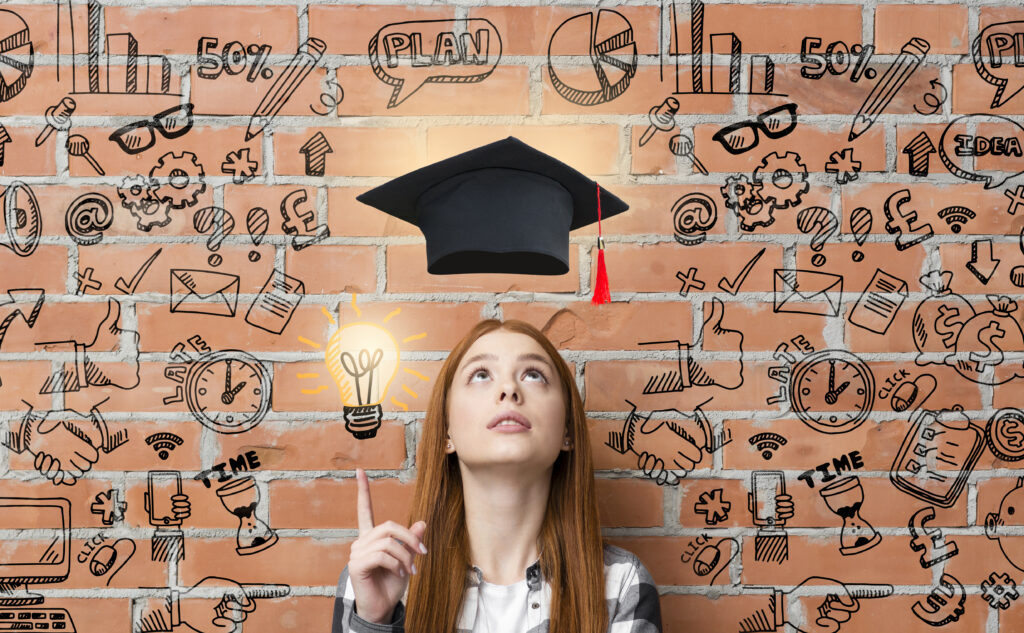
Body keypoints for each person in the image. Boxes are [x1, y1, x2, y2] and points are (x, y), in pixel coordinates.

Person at [331, 318, 663, 632]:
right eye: (480, 374)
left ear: (567, 430)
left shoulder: (620, 584)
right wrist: (374, 620)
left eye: (534, 374)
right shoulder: (378, 577)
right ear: (447, 432)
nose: (508, 389)